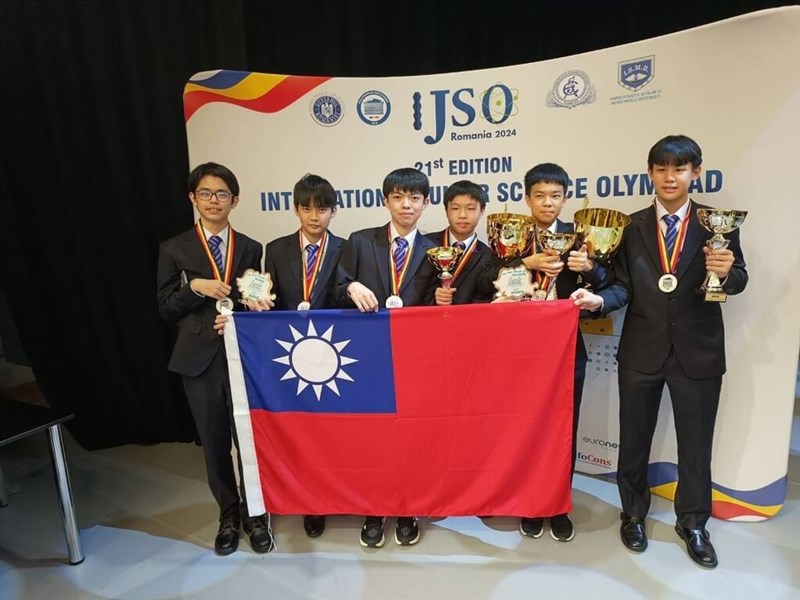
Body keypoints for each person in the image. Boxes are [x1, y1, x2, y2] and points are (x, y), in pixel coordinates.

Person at [571, 135, 748, 569]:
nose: (671, 177)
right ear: (650, 173)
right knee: (633, 439)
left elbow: (738, 278)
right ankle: (632, 514)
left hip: (699, 351)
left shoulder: (717, 223)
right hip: (641, 349)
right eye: (662, 169)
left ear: (696, 173)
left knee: (696, 444)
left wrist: (726, 274)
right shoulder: (630, 227)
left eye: (680, 169)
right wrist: (598, 300)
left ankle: (693, 523)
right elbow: (621, 286)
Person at [157, 162, 275, 556]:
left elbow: (251, 295)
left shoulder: (251, 247)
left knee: (250, 440)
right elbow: (165, 308)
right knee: (214, 441)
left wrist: (256, 308)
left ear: (235, 200)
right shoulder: (174, 248)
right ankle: (228, 514)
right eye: (205, 194)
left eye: (221, 194)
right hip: (198, 360)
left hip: (243, 357)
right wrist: (195, 288)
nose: (213, 201)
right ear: (193, 198)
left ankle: (256, 515)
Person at [333, 167, 437, 547]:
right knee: (373, 437)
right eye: (397, 196)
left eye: (414, 198)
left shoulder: (436, 251)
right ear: (385, 200)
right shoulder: (360, 242)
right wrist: (352, 286)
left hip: (415, 360)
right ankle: (374, 508)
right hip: (368, 358)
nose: (405, 204)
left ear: (426, 203)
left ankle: (407, 508)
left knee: (411, 436)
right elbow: (336, 286)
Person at [513, 163, 612, 542]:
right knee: (524, 429)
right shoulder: (513, 235)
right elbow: (491, 278)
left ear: (565, 198)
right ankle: (529, 503)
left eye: (555, 195)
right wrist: (525, 262)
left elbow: (611, 283)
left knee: (562, 432)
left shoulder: (580, 237)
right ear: (527, 198)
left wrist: (590, 267)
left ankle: (558, 503)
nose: (547, 203)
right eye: (539, 195)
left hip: (568, 351)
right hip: (519, 354)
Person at [261, 173, 344, 537]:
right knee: (299, 432)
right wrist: (254, 302)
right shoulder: (275, 249)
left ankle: (332, 495)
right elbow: (269, 294)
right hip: (290, 355)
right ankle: (310, 502)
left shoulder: (345, 248)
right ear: (295, 209)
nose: (314, 216)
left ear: (333, 211)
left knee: (331, 433)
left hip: (334, 354)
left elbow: (344, 295)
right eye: (307, 208)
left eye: (322, 208)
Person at [425, 180, 496, 305]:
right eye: (455, 208)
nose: (462, 215)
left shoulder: (488, 256)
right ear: (446, 210)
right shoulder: (427, 244)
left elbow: (483, 297)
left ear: (482, 211)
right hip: (429, 320)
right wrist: (433, 296)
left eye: (470, 208)